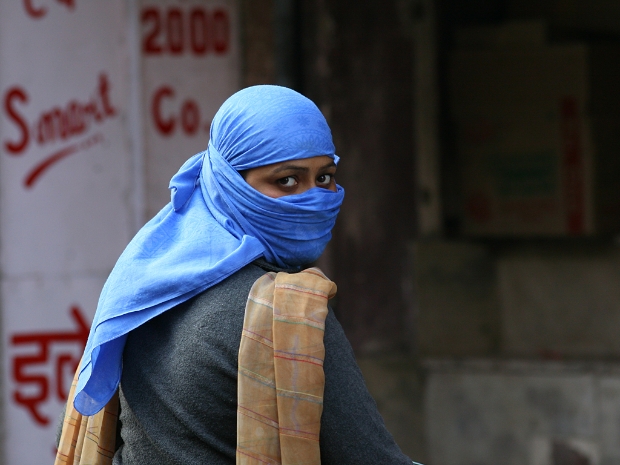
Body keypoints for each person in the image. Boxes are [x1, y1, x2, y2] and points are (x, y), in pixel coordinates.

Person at [60, 85, 417, 464]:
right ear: (230, 182)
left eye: (325, 178)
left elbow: (90, 416)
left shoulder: (140, 288)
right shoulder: (288, 314)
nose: (314, 198)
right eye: (288, 181)